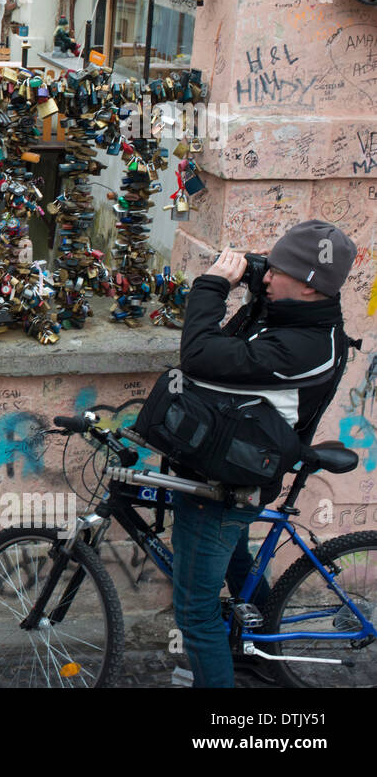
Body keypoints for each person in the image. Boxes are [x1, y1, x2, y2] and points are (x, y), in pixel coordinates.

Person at [172, 220, 358, 687]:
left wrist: (212, 285)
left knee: (196, 615)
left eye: (277, 273)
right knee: (239, 566)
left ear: (309, 287)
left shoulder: (299, 348)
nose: (267, 278)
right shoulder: (301, 317)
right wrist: (259, 285)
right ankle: (264, 648)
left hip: (225, 484)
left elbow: (198, 355)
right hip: (234, 464)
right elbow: (254, 329)